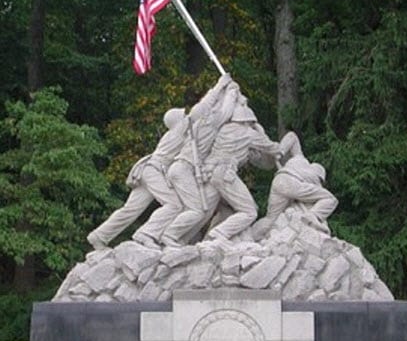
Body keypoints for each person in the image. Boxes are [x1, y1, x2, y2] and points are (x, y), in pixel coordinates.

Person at [87, 74, 231, 250]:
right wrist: (219, 86)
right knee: (174, 205)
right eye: (184, 115)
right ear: (178, 121)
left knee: (130, 209)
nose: (187, 116)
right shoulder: (179, 130)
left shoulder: (176, 134)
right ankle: (146, 234)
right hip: (154, 170)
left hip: (148, 170)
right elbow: (201, 108)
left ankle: (99, 236)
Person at [162, 101, 281, 245]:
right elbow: (275, 149)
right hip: (224, 175)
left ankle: (176, 236)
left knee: (207, 212)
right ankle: (218, 234)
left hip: (210, 174)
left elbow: (257, 159)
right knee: (249, 211)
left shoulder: (224, 129)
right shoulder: (250, 134)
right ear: (249, 121)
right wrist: (260, 131)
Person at [265, 131, 338, 232]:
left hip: (279, 179)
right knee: (330, 199)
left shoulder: (300, 158)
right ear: (320, 177)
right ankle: (313, 215)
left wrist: (280, 152)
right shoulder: (315, 179)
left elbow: (292, 136)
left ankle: (251, 235)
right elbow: (314, 201)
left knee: (270, 220)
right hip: (292, 184)